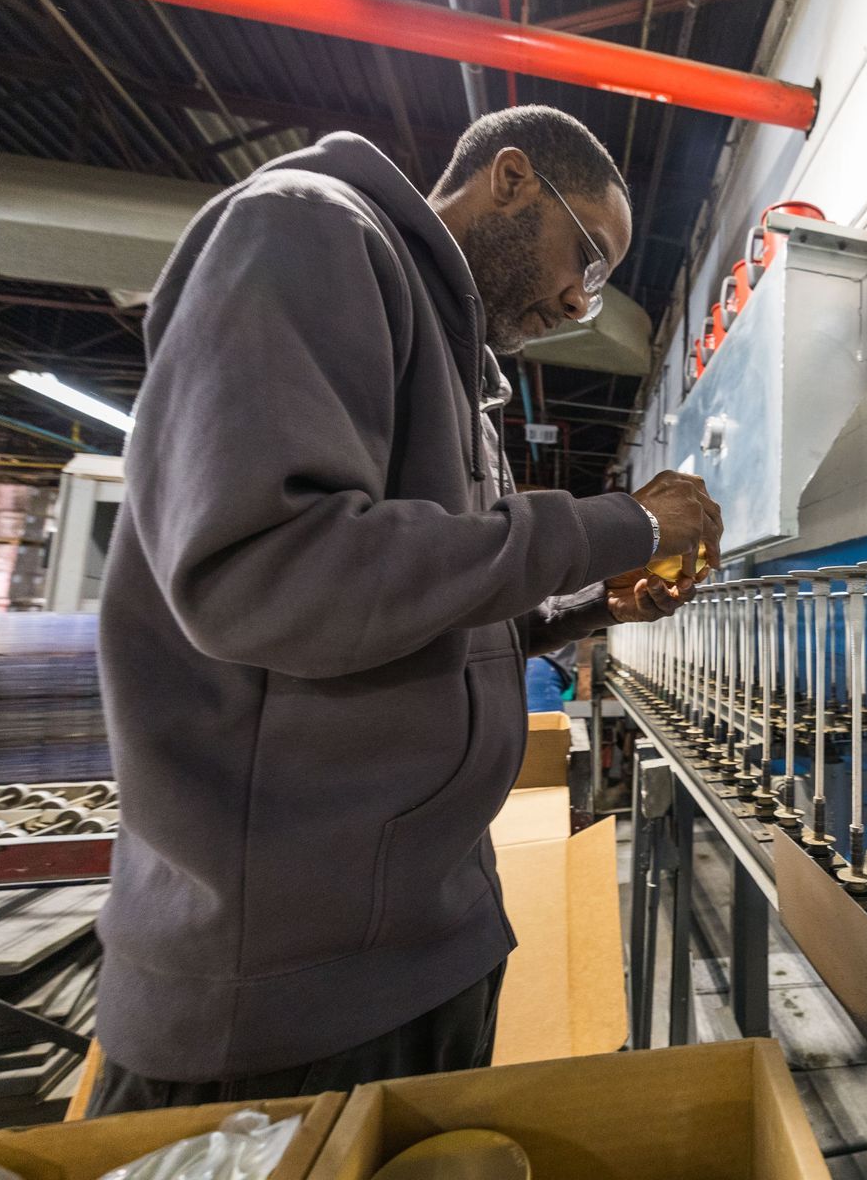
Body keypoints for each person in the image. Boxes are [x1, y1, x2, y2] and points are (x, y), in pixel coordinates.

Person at [89, 107, 721, 1112]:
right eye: (587, 256)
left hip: (426, 949)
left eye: (596, 283)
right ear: (511, 178)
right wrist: (618, 526)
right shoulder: (307, 227)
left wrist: (584, 603)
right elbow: (272, 572)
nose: (576, 296)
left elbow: (410, 604)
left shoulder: (462, 377)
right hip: (283, 998)